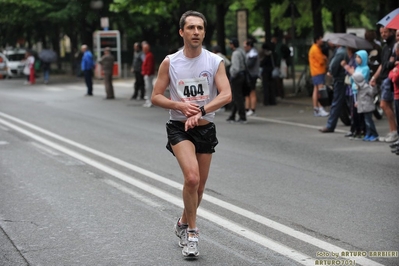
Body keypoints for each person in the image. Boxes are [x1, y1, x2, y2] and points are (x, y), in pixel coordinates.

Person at [151, 10, 231, 258]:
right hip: (179, 127)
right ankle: (192, 234)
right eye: (191, 28)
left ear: (204, 32)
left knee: (201, 185)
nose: (196, 32)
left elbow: (226, 94)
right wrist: (180, 106)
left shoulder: (214, 61)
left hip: (205, 127)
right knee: (193, 179)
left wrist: (202, 111)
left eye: (200, 28)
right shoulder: (170, 62)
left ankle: (183, 221)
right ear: (181, 32)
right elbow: (156, 96)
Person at [342, 50, 378, 141]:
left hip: (361, 92)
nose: (357, 59)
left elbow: (360, 78)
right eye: (356, 57)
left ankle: (367, 132)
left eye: (359, 57)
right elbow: (352, 79)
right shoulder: (357, 68)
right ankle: (359, 131)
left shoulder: (365, 68)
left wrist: (352, 73)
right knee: (355, 113)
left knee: (365, 116)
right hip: (354, 92)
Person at [370, 27, 397, 143]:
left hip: (391, 78)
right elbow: (382, 65)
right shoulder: (385, 47)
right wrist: (374, 77)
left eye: (385, 32)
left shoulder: (395, 46)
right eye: (381, 33)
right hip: (385, 78)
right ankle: (393, 130)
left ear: (392, 32)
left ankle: (394, 131)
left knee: (384, 105)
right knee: (388, 105)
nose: (383, 34)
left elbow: (391, 64)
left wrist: (391, 63)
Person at [319, 44, 348, 133]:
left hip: (340, 79)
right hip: (347, 78)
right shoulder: (348, 51)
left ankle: (330, 125)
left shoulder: (340, 52)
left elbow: (333, 66)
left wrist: (331, 72)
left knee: (336, 102)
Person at [344, 47, 366, 139]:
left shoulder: (363, 67)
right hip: (351, 89)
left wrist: (347, 68)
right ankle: (354, 129)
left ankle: (359, 129)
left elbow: (356, 75)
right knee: (352, 110)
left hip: (357, 90)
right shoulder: (350, 59)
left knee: (357, 111)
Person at [226, 38, 247, 123]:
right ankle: (232, 115)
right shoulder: (242, 52)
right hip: (243, 75)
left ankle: (242, 116)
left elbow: (235, 67)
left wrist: (232, 76)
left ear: (232, 44)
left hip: (237, 77)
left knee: (237, 97)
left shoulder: (235, 53)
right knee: (237, 96)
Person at [308, 35, 329, 117]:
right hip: (318, 71)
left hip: (315, 72)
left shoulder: (315, 48)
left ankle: (316, 108)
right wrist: (325, 58)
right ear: (317, 40)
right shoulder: (315, 49)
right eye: (321, 39)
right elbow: (321, 60)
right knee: (320, 90)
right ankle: (320, 108)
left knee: (316, 90)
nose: (322, 41)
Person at [243, 39, 260, 116]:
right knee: (247, 92)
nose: (244, 47)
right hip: (248, 75)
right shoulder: (249, 53)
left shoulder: (253, 54)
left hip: (252, 75)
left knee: (252, 92)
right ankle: (247, 108)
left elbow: (249, 64)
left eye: (245, 46)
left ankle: (252, 109)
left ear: (249, 46)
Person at [388, 42, 399, 153]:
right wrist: (394, 71)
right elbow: (390, 74)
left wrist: (394, 72)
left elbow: (395, 78)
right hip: (396, 95)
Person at [141, 41, 155, 107]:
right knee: (148, 88)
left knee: (148, 88)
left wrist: (147, 73)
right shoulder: (148, 55)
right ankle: (148, 100)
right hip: (147, 74)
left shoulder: (149, 55)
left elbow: (149, 65)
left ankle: (149, 101)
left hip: (148, 74)